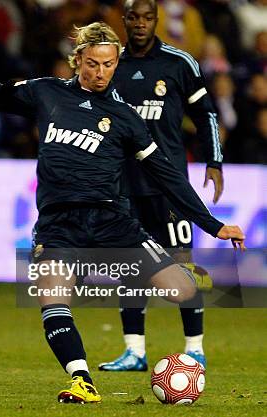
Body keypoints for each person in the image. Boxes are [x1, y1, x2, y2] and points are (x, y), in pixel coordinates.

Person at [0, 22, 245, 403]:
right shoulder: (46, 92)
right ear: (77, 61)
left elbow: (169, 177)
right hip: (59, 223)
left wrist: (214, 226)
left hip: (112, 221)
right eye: (92, 63)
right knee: (52, 298)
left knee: (184, 289)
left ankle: (135, 321)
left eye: (108, 64)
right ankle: (81, 380)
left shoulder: (127, 120)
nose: (101, 72)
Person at [96, 0, 224, 372]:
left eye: (147, 17)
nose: (140, 23)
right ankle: (134, 351)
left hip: (168, 186)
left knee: (183, 266)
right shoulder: (111, 63)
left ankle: (195, 348)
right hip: (123, 184)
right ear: (124, 20)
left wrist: (214, 160)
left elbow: (205, 114)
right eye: (133, 17)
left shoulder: (179, 63)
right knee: (129, 267)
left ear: (157, 20)